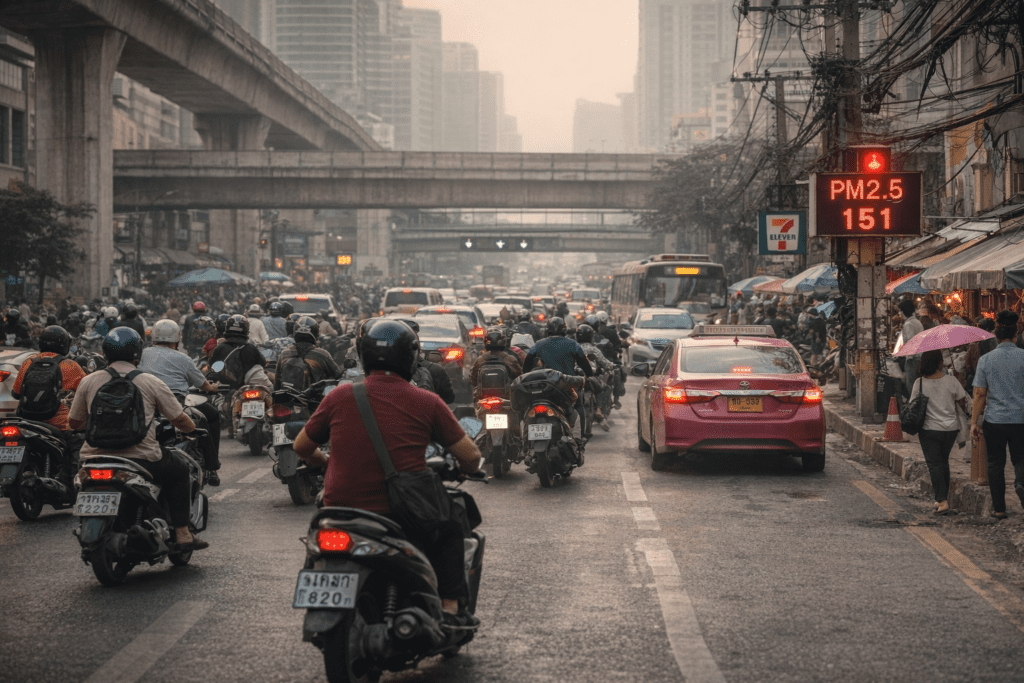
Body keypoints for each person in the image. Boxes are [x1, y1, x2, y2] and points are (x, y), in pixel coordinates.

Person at [292, 320, 482, 627]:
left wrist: (325, 461)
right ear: (410, 357)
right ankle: (450, 608)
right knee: (450, 526)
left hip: (338, 510)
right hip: (399, 513)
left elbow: (301, 446)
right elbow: (471, 456)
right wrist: (466, 469)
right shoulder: (426, 401)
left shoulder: (339, 396)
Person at [67, 328, 207, 551]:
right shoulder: (150, 382)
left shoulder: (89, 381)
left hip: (93, 457)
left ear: (105, 352)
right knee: (180, 470)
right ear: (137, 353)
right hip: (141, 457)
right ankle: (182, 534)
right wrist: (191, 429)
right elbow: (179, 418)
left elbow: (74, 423)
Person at [140, 320, 223, 486]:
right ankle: (212, 468)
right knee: (211, 417)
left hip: (146, 399)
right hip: (178, 399)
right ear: (177, 339)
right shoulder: (183, 358)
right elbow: (202, 384)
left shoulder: (142, 354)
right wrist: (213, 388)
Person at [970, 309, 1024, 520]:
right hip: (1021, 419)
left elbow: (979, 394)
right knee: (1021, 459)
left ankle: (999, 508)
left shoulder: (986, 360)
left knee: (995, 464)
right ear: (1015, 335)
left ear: (996, 335)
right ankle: (1020, 483)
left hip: (995, 420)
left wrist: (974, 422)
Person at [11, 325, 87, 466]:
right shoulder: (71, 366)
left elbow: (15, 394)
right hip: (60, 427)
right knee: (78, 447)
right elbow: (86, 395)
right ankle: (74, 484)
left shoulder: (28, 362)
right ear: (64, 344)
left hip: (27, 423)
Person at [909, 350, 969, 515]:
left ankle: (942, 501)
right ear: (939, 363)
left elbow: (912, 405)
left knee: (934, 464)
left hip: (929, 430)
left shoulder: (919, 383)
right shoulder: (951, 380)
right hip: (950, 430)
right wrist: (958, 381)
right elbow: (962, 402)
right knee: (943, 462)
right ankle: (941, 498)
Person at [523, 317, 594, 436]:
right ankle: (580, 437)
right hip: (567, 386)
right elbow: (584, 364)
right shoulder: (573, 345)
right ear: (564, 329)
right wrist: (589, 374)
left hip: (545, 386)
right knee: (578, 405)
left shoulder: (539, 344)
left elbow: (528, 360)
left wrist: (526, 374)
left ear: (548, 329)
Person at [273, 316, 342, 392]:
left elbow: (277, 381)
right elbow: (338, 376)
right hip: (312, 401)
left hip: (287, 399)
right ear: (315, 335)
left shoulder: (284, 353)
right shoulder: (322, 354)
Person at [209, 315, 271, 391]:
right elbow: (263, 363)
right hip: (248, 390)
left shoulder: (220, 347)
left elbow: (212, 367)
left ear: (227, 328)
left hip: (225, 390)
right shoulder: (251, 348)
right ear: (246, 330)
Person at [575, 324, 614, 432]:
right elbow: (605, 363)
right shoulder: (594, 349)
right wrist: (610, 366)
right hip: (591, 377)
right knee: (606, 388)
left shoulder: (572, 347)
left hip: (574, 378)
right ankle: (600, 410)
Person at [898, 300, 925, 393]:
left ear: (903, 311)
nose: (898, 313)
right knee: (917, 385)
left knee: (911, 385)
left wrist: (908, 356)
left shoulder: (909, 324)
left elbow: (911, 342)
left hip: (913, 359)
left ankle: (915, 404)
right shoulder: (916, 322)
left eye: (899, 311)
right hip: (919, 357)